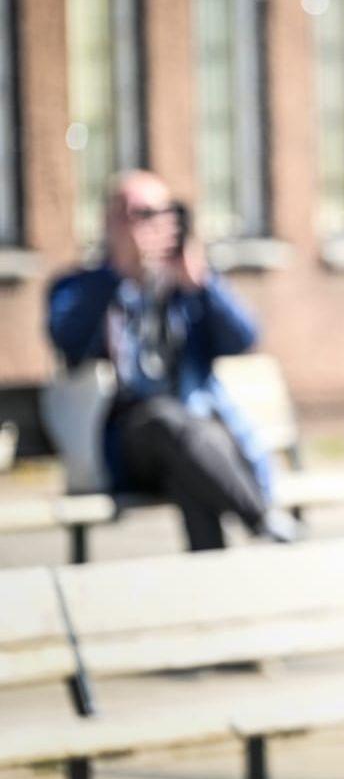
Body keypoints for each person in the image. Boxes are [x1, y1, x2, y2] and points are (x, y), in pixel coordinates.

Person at [47, 171, 296, 550]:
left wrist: (201, 283)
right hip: (128, 442)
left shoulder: (183, 289)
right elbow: (66, 340)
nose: (155, 226)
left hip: (191, 444)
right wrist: (118, 275)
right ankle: (263, 518)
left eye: (165, 214)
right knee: (167, 419)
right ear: (111, 222)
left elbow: (244, 337)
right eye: (142, 214)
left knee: (191, 456)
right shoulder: (81, 286)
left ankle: (213, 588)